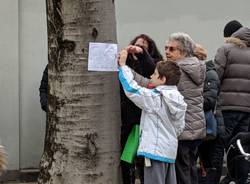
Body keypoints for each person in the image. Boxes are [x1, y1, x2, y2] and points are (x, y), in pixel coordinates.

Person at [118, 49, 187, 184]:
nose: (151, 76)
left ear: (163, 79)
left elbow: (132, 89)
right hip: (169, 152)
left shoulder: (156, 98)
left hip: (154, 152)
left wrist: (122, 65)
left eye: (155, 74)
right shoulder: (178, 99)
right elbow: (180, 128)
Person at [120, 34, 162, 184]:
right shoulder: (125, 64)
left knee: (144, 161)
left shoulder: (155, 66)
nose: (138, 49)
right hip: (127, 119)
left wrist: (141, 53)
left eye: (143, 46)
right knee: (127, 159)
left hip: (144, 119)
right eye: (136, 46)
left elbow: (150, 72)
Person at [165, 32, 206, 184]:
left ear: (183, 52)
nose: (167, 52)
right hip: (197, 128)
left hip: (182, 128)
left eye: (172, 49)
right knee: (190, 168)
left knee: (182, 172)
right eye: (166, 48)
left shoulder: (176, 70)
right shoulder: (198, 67)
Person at [213, 20, 250, 184]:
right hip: (247, 109)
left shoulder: (225, 49)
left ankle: (217, 180)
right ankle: (239, 179)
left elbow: (216, 77)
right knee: (241, 146)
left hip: (227, 106)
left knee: (220, 145)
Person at [194, 45, 220, 184]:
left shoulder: (209, 73)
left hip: (204, 126)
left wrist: (190, 101)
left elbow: (209, 101)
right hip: (195, 124)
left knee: (207, 162)